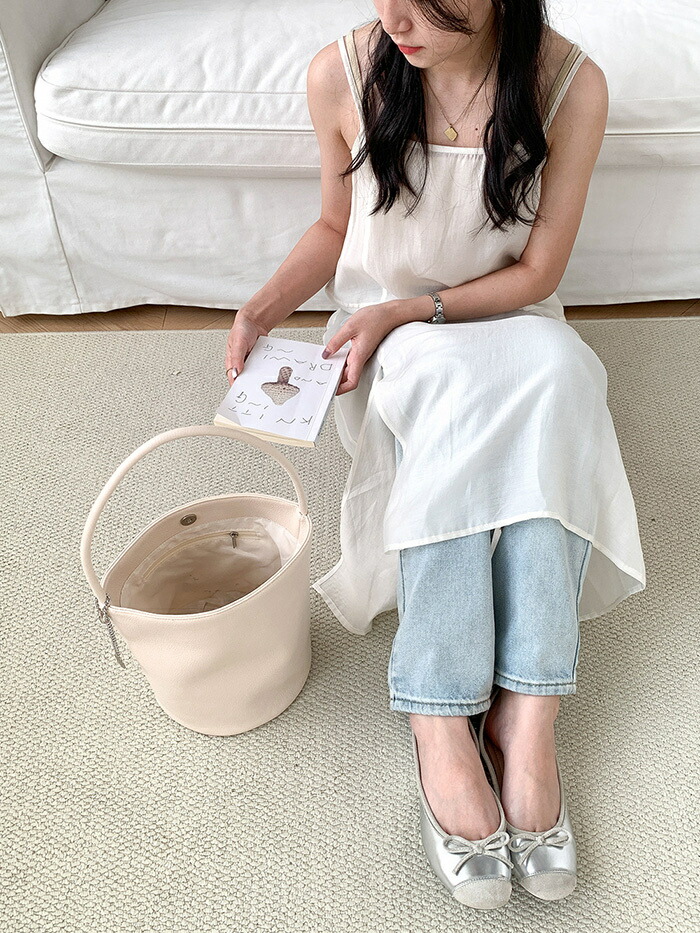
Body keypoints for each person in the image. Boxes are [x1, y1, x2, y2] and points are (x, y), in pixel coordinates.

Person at [225, 0, 646, 910]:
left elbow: (537, 274)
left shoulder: (571, 87)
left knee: (563, 376)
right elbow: (335, 228)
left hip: (504, 316)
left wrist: (420, 306)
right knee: (459, 401)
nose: (396, 19)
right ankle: (438, 711)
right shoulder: (342, 72)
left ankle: (528, 715)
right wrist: (263, 306)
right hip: (389, 340)